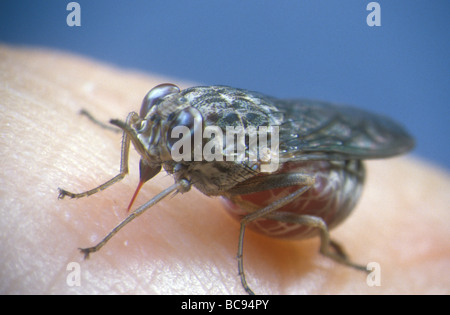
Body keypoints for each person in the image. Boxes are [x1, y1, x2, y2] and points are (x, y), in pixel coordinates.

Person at [1, 45, 449, 294]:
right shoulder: (184, 127)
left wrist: (102, 243)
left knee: (301, 181)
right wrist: (118, 174)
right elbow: (144, 126)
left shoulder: (232, 146)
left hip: (329, 173)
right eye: (158, 103)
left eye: (177, 128)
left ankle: (324, 251)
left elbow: (304, 176)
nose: (153, 125)